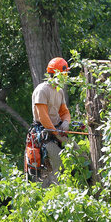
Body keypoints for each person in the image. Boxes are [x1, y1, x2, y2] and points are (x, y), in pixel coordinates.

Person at [31, 57, 70, 186]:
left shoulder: (59, 91)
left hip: (58, 131)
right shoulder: (42, 90)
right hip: (45, 134)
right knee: (60, 165)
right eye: (63, 75)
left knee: (80, 156)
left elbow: (64, 113)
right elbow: (43, 117)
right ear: (55, 74)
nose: (65, 78)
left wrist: (65, 125)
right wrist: (56, 133)